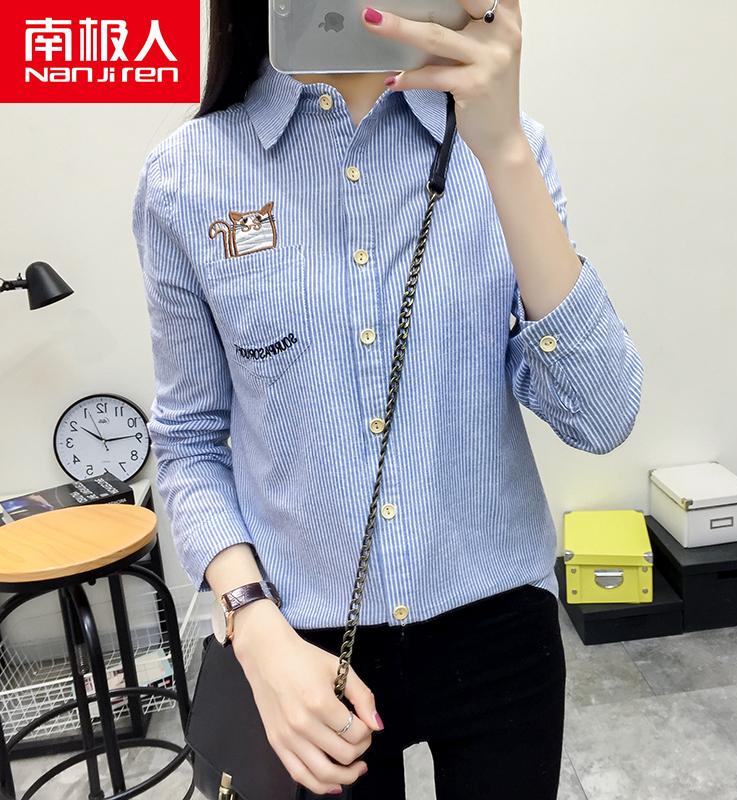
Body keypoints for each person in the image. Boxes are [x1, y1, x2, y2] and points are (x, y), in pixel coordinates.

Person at [132, 1, 644, 797]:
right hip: (300, 645)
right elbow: (190, 443)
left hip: (499, 625)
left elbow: (602, 414)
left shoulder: (508, 148)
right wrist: (253, 625)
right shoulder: (186, 178)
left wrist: (505, 150)